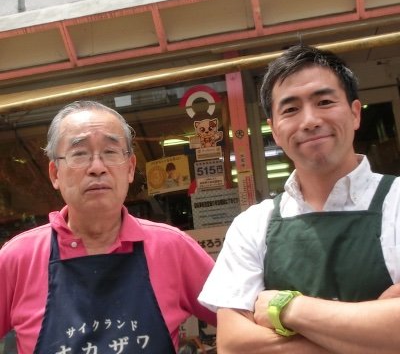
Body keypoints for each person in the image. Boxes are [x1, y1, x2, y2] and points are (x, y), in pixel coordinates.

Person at [198, 44, 400, 354]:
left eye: (324, 101)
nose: (309, 120)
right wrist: (373, 333)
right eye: (290, 109)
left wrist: (287, 308)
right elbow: (234, 346)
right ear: (274, 132)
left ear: (355, 113)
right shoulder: (251, 225)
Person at [0, 100, 216, 354]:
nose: (97, 167)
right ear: (55, 174)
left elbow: (241, 322)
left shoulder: (173, 248)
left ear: (130, 168)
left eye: (111, 152)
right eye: (79, 154)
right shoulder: (18, 257)